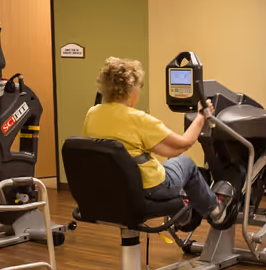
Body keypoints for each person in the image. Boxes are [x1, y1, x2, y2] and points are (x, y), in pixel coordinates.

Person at [82, 56, 223, 225]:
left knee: (172, 162)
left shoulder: (92, 113)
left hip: (109, 187)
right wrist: (202, 116)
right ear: (130, 90)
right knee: (186, 163)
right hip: (150, 188)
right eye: (139, 87)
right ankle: (215, 212)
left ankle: (184, 217)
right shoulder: (138, 119)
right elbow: (182, 145)